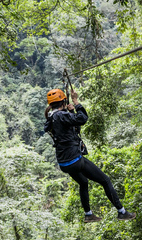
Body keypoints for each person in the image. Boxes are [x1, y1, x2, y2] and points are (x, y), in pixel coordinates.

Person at [44, 88, 136, 223]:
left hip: (64, 163)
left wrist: (70, 112)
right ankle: (122, 212)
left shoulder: (51, 118)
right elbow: (82, 118)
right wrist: (76, 102)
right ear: (64, 101)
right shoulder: (61, 116)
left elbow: (73, 128)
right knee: (105, 180)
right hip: (75, 159)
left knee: (83, 182)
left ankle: (88, 214)